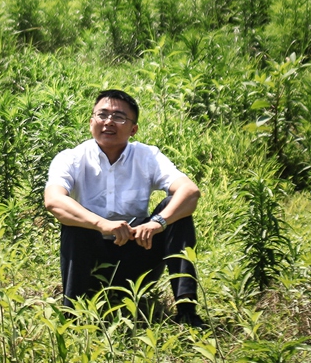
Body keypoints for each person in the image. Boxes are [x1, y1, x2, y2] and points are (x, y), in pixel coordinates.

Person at [43, 89, 202, 324]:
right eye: (102, 115)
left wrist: (158, 223)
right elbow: (53, 200)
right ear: (91, 122)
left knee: (175, 211)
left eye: (118, 117)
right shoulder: (71, 158)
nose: (108, 122)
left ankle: (187, 311)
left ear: (133, 129)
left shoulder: (147, 156)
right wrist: (101, 224)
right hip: (91, 262)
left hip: (139, 253)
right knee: (76, 222)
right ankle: (72, 314)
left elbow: (190, 191)